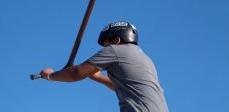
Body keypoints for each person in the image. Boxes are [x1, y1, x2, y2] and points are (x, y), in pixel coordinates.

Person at [40, 21, 169, 112]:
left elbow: (75, 73)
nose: (106, 48)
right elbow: (125, 88)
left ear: (116, 40)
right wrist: (99, 78)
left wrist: (50, 75)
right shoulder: (144, 58)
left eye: (106, 43)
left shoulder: (116, 50)